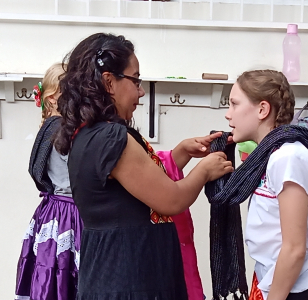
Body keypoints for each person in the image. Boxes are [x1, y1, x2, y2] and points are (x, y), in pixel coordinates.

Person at [54, 33, 233, 300]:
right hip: (129, 277)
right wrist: (205, 170)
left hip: (113, 273)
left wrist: (180, 153)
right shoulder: (110, 139)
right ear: (109, 82)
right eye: (135, 80)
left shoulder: (89, 135)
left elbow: (136, 186)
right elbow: (170, 200)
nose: (140, 91)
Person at [205, 69, 308, 300]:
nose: (228, 114)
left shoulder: (289, 158)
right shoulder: (268, 155)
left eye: (234, 104)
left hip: (299, 289)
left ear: (262, 110)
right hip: (271, 281)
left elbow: (295, 250)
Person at [15, 63, 83, 300]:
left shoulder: (49, 127)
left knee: (51, 276)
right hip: (70, 215)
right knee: (68, 276)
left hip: (51, 214)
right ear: (53, 98)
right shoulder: (64, 130)